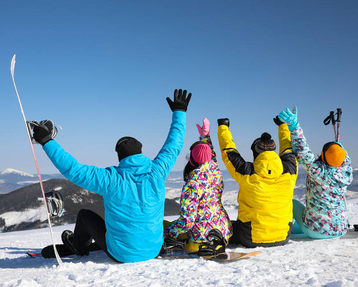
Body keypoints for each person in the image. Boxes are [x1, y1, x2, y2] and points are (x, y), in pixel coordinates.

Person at [32, 89, 192, 263]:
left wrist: (47, 141)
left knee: (85, 216)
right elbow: (174, 146)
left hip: (121, 254)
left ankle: (79, 247)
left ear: (120, 156)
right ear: (140, 152)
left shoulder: (111, 178)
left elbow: (73, 169)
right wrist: (179, 112)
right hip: (153, 249)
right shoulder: (157, 171)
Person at [217, 117, 298, 248]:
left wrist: (223, 128)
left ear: (256, 152)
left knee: (218, 226)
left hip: (250, 237)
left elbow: (229, 153)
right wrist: (283, 126)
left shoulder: (247, 172)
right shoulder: (290, 171)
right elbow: (288, 150)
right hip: (284, 235)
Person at [278, 107, 353, 239]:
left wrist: (294, 126)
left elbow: (302, 149)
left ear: (323, 156)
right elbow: (341, 155)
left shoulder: (317, 171)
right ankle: (297, 228)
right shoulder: (346, 171)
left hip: (317, 231)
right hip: (341, 229)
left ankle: (281, 229)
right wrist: (337, 149)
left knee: (292, 203)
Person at [164, 118, 233, 255]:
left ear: (191, 160)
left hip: (201, 240)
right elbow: (210, 156)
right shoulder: (215, 171)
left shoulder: (193, 184)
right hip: (223, 233)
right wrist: (205, 137)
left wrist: (167, 233)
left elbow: (187, 221)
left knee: (164, 225)